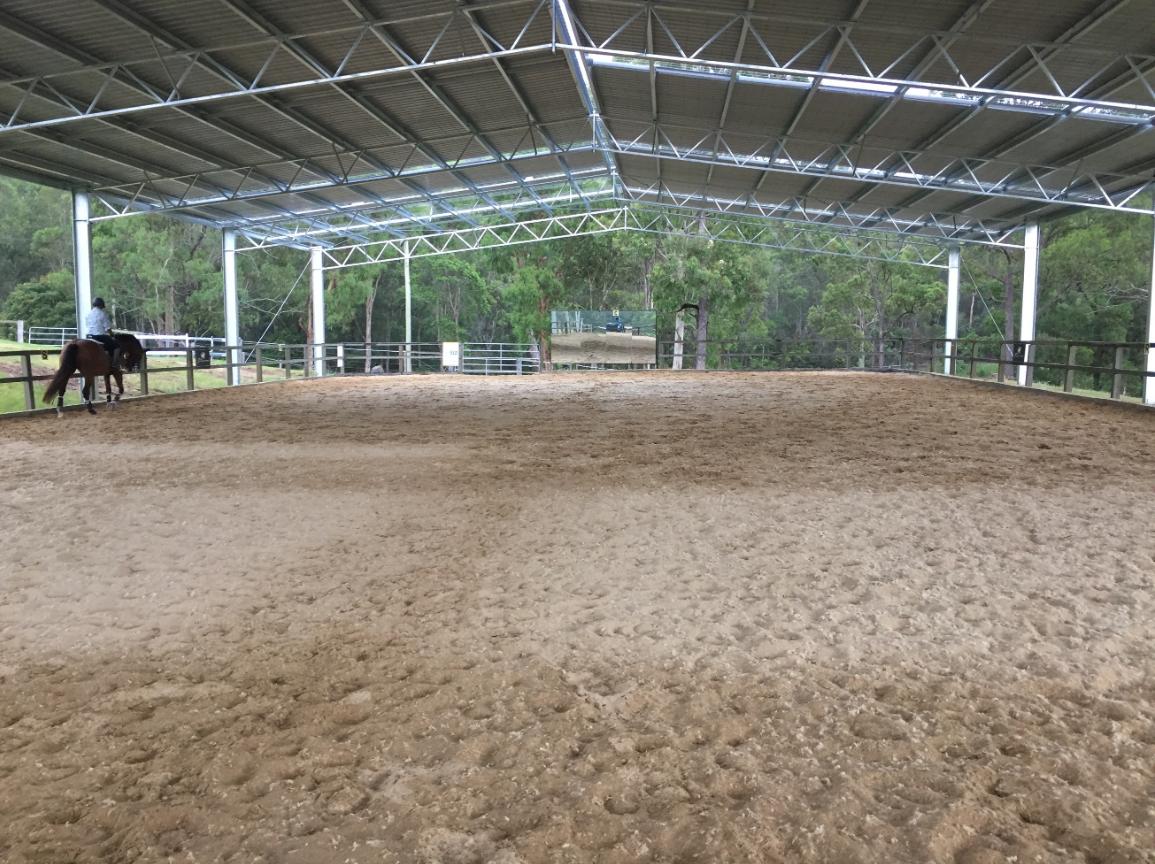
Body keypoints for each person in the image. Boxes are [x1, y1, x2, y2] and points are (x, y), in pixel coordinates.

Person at [85, 297, 120, 368]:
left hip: (89, 336)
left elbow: (88, 325)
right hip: (99, 336)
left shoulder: (88, 314)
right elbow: (107, 328)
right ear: (101, 305)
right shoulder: (102, 314)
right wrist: (112, 336)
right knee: (117, 346)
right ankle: (114, 364)